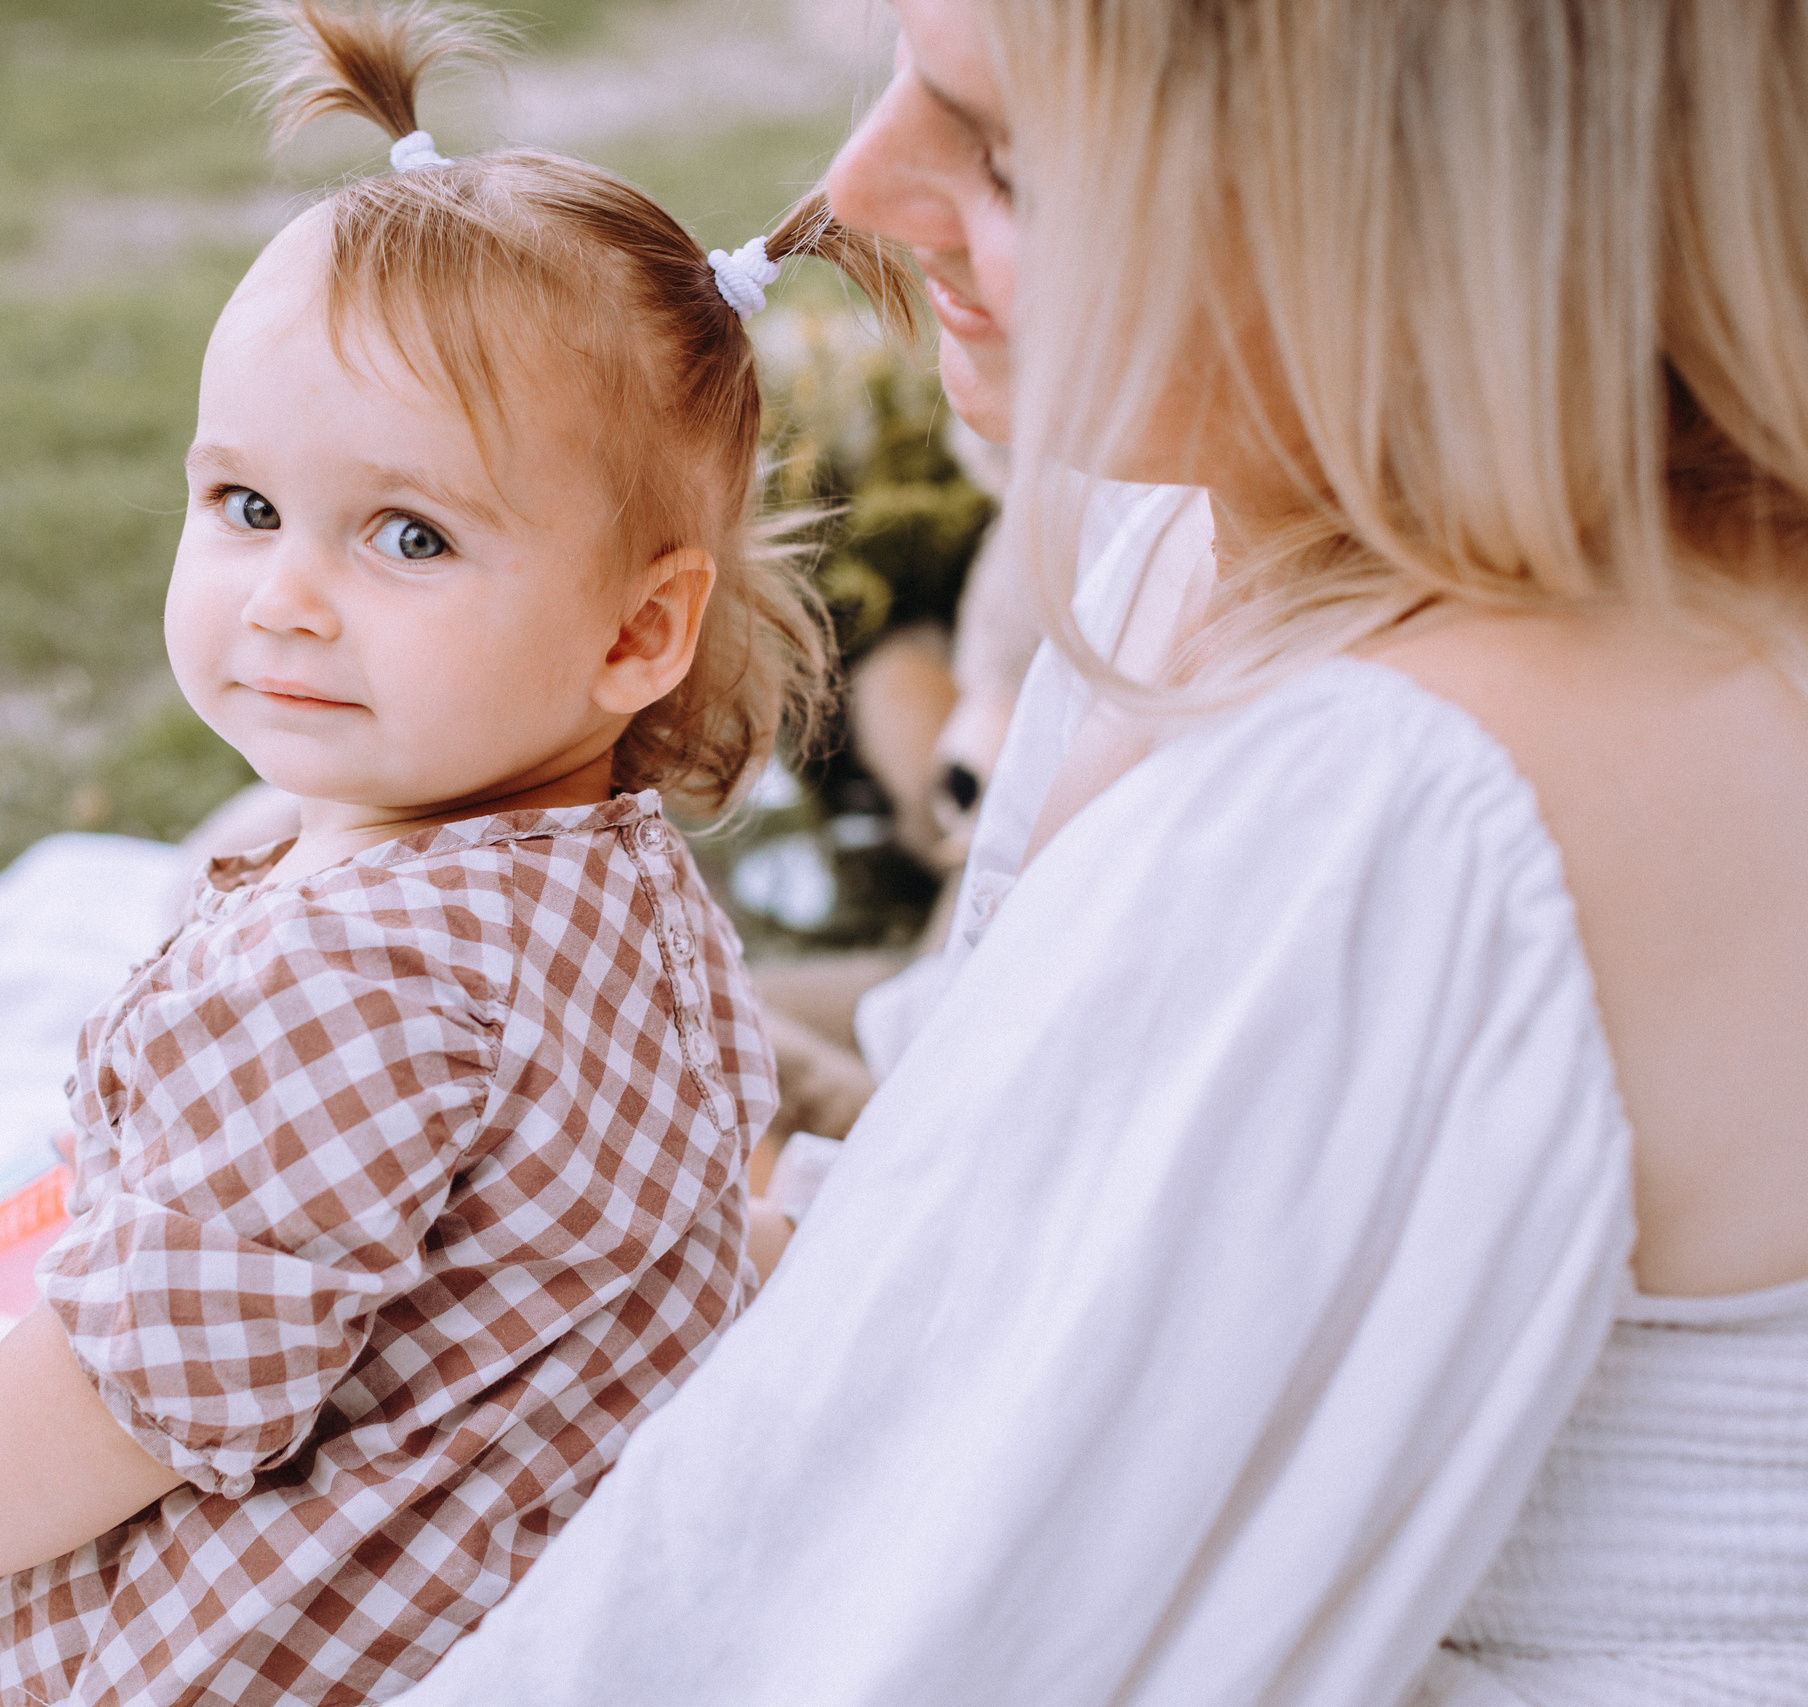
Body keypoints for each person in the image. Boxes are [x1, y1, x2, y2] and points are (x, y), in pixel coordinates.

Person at [391, 1, 1808, 1704]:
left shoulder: (1400, 795)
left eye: (1015, 158)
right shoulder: (1209, 533)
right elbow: (958, 1185)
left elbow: (844, 1599)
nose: (861, 184)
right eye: (903, 72)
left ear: (1431, 212)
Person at [0, 3, 921, 1703]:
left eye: (407, 534)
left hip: (276, 1631)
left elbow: (131, 1396)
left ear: (639, 633)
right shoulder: (625, 886)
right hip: (512, 1553)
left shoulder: (357, 980)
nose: (284, 591)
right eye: (244, 506)